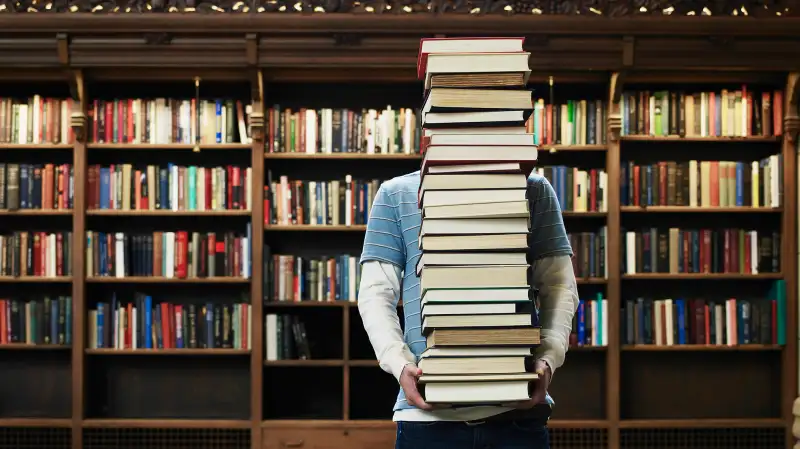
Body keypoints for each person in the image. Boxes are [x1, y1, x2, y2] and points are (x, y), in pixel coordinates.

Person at [356, 169, 580, 449]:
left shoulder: (534, 188)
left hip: (517, 415)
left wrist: (547, 360)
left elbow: (560, 287)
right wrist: (400, 365)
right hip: (426, 417)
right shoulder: (395, 193)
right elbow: (375, 295)